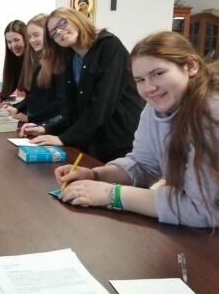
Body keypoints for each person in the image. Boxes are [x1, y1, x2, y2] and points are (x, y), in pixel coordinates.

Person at [54, 31, 219, 228]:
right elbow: (144, 165)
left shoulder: (212, 113)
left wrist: (112, 194)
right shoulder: (156, 107)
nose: (149, 88)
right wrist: (95, 175)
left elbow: (204, 210)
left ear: (190, 66)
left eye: (158, 74)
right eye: (140, 80)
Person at [20, 7, 143, 162]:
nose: (60, 31)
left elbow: (102, 104)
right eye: (53, 32)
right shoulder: (69, 56)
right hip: (92, 139)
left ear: (76, 19)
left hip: (119, 138)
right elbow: (72, 110)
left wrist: (63, 138)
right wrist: (46, 129)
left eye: (62, 23)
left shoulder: (109, 45)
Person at [2, 14, 63, 124]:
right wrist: (16, 109)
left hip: (49, 122)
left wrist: (30, 118)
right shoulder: (36, 60)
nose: (32, 40)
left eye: (36, 35)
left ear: (49, 34)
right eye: (29, 37)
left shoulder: (59, 60)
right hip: (36, 120)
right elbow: (33, 96)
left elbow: (60, 102)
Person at [0, 20, 27, 103]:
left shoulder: (36, 61)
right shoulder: (15, 60)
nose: (13, 45)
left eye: (16, 40)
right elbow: (11, 85)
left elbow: (35, 98)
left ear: (26, 38)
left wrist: (16, 108)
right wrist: (1, 98)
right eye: (9, 42)